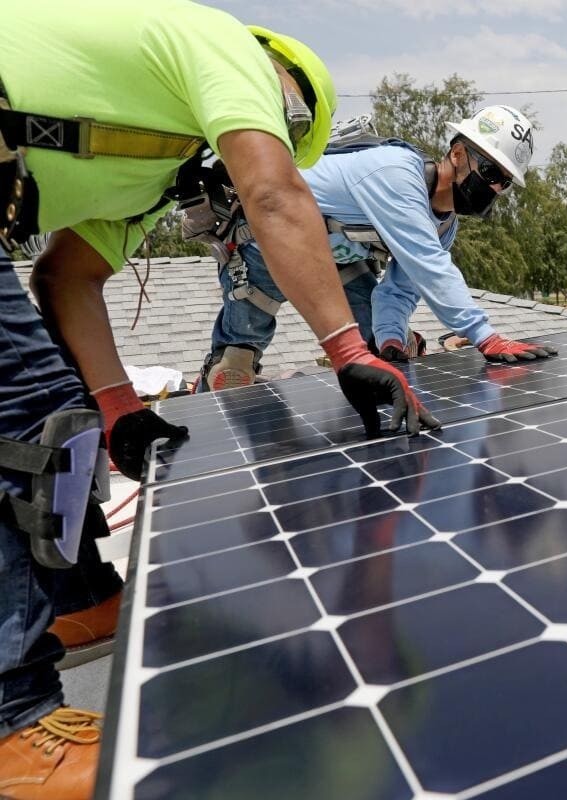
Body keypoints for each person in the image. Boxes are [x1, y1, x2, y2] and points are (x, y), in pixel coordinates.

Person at [0, 3, 437, 797]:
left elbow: (66, 276)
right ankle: (12, 727)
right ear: (281, 77)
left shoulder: (150, 178)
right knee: (27, 400)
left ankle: (78, 601)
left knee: (55, 415)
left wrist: (118, 407)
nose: (269, 127)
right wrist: (348, 350)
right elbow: (275, 196)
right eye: (286, 115)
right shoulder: (224, 44)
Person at [196, 105, 558, 391]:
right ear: (459, 153)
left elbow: (400, 291)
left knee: (374, 351)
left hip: (333, 261)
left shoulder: (444, 226)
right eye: (491, 173)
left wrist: (389, 341)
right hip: (264, 241)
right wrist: (485, 336)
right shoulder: (396, 173)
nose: (494, 188)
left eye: (504, 183)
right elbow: (430, 266)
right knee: (234, 366)